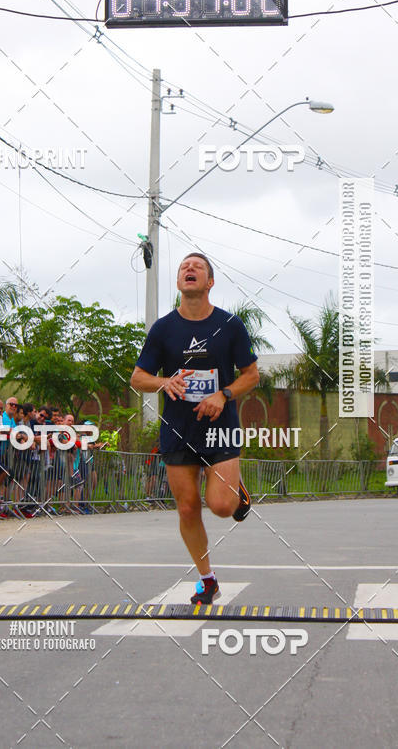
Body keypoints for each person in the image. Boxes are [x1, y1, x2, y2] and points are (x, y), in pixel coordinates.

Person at [131, 253, 260, 604]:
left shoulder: (230, 325)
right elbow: (137, 377)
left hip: (221, 426)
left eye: (198, 267)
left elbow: (252, 375)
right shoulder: (163, 329)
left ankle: (235, 492)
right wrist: (163, 383)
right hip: (178, 427)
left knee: (219, 506)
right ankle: (207, 579)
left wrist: (224, 394)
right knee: (187, 508)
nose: (190, 269)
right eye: (184, 267)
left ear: (210, 282)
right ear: (178, 282)